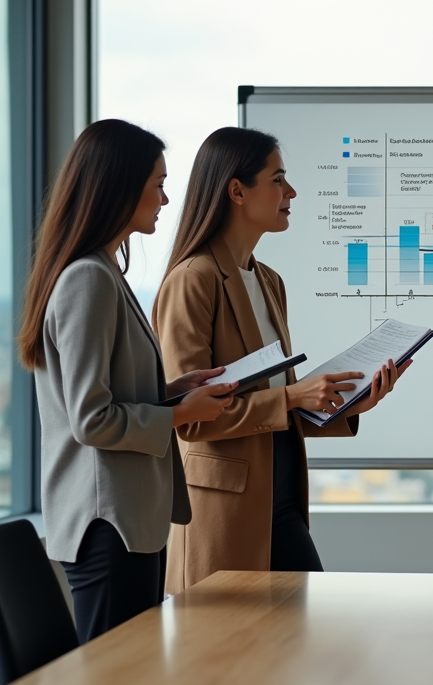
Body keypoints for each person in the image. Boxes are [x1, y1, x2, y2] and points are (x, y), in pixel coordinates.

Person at [153, 127, 407, 594]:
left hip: (283, 497)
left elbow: (277, 410)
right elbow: (188, 419)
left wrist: (347, 405)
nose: (291, 193)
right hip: (226, 509)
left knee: (295, 644)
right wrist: (293, 395)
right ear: (236, 191)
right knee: (227, 659)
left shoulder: (269, 282)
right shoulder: (193, 281)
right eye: (278, 180)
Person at [18, 119, 235, 642]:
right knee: (113, 671)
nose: (165, 199)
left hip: (127, 522)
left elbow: (109, 396)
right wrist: (181, 415)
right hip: (106, 525)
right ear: (119, 186)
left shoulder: (103, 272)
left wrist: (176, 390)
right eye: (158, 184)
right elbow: (91, 421)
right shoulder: (88, 279)